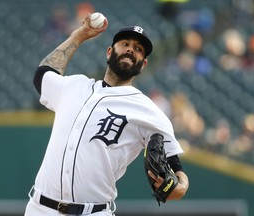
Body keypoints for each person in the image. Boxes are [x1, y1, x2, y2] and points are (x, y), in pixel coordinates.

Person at [25, 13, 189, 216]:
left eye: (138, 49)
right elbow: (42, 75)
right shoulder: (74, 86)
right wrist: (78, 36)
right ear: (110, 51)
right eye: (125, 44)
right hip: (40, 209)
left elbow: (175, 164)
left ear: (143, 64)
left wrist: (181, 187)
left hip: (94, 212)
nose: (131, 49)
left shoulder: (147, 110)